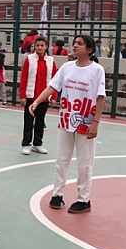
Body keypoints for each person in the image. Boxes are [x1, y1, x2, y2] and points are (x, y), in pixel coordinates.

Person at [29, 34, 105, 214]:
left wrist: (95, 123)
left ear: (89, 49)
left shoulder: (97, 70)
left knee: (84, 163)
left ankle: (83, 199)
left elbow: (100, 98)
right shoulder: (67, 67)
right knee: (61, 159)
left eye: (80, 44)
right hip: (66, 120)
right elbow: (53, 86)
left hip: (85, 123)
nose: (75, 46)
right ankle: (57, 194)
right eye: (75, 43)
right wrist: (37, 101)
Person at [19, 36, 57, 155]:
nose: (40, 47)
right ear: (34, 46)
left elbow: (55, 80)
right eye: (38, 45)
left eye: (42, 45)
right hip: (31, 96)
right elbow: (24, 78)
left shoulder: (51, 61)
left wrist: (54, 97)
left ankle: (37, 143)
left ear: (46, 47)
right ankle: (26, 144)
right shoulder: (29, 59)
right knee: (28, 121)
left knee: (40, 121)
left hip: (44, 98)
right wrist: (22, 95)